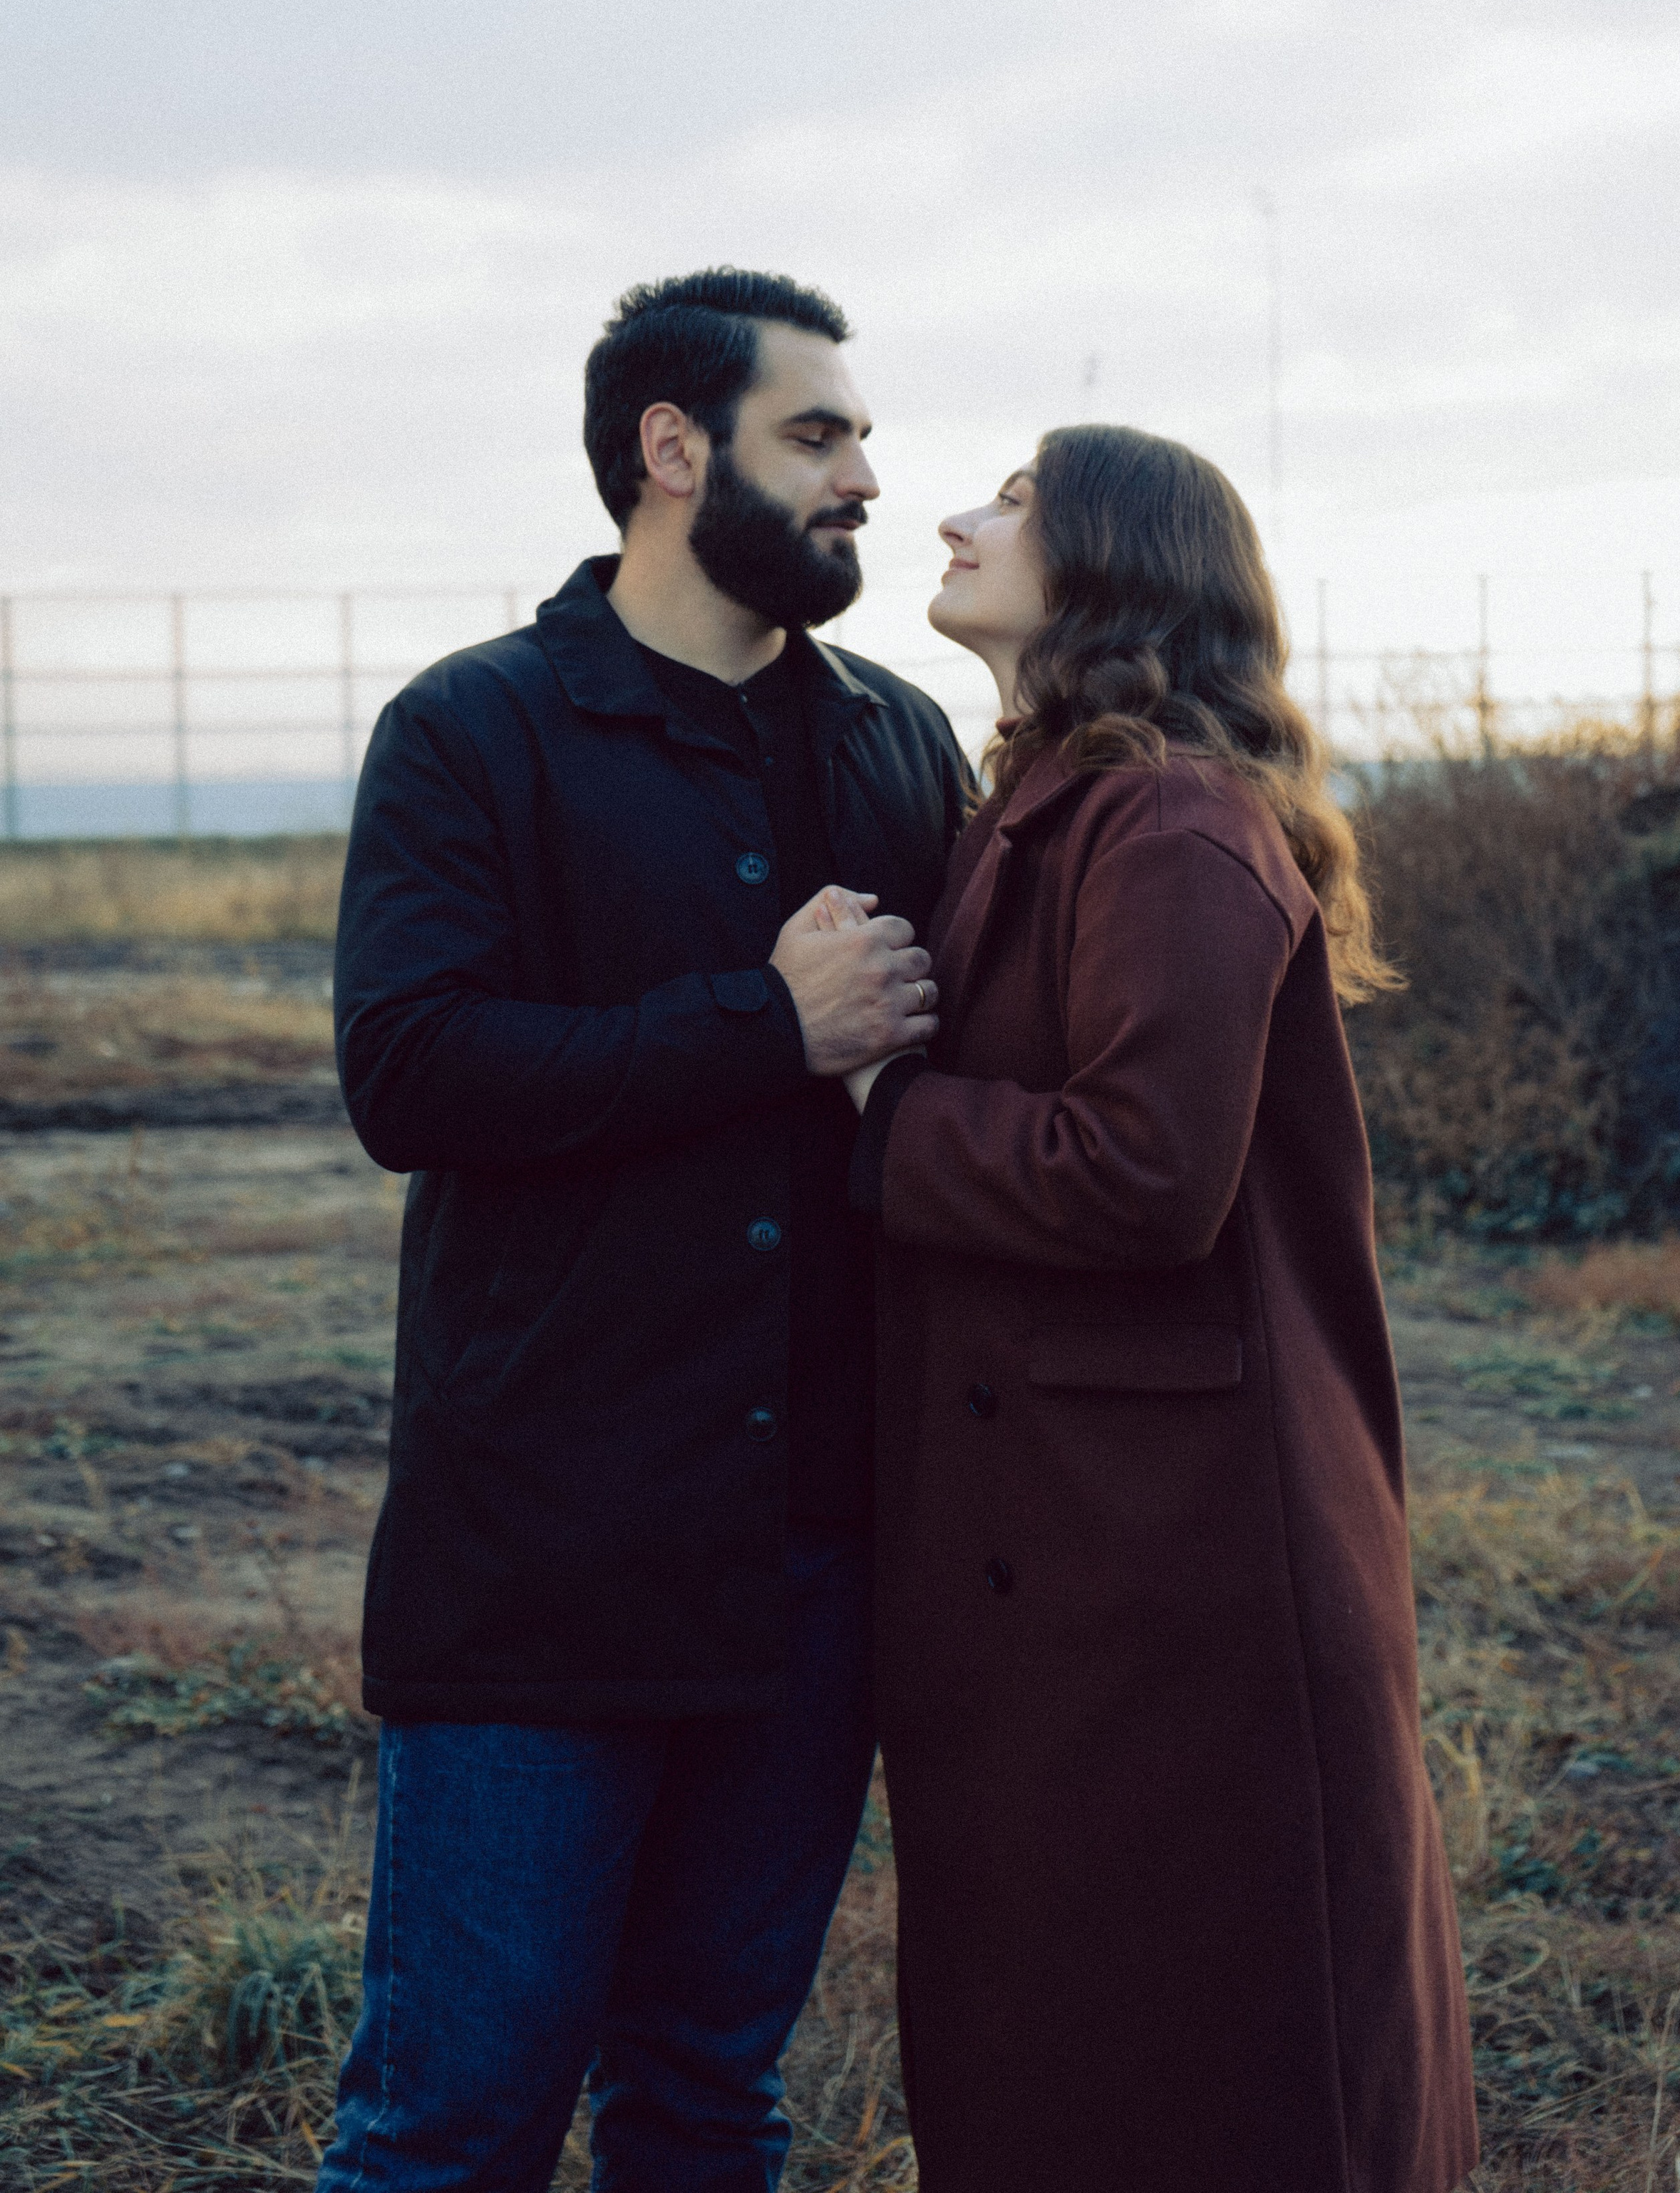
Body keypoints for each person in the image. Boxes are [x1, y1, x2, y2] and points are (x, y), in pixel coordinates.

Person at [318, 269, 970, 2193]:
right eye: (819, 434)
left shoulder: (902, 744)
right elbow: (412, 1075)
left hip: (820, 1554)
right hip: (548, 1550)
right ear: (671, 453)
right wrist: (767, 1028)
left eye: (859, 435)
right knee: (460, 2116)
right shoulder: (476, 734)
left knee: (705, 2089)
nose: (866, 474)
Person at [830, 425, 1480, 2193]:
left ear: (1116, 562)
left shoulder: (1172, 818)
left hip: (1191, 1588)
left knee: (1219, 2073)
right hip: (1088, 1571)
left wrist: (877, 1118)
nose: (954, 518)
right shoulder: (1052, 804)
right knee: (1084, 2055)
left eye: (1015, 501)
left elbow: (1140, 1173)